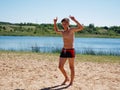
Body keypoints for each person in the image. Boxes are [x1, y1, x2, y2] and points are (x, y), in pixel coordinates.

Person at [53, 15, 83, 86]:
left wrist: (74, 20)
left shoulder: (71, 30)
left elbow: (81, 27)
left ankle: (71, 82)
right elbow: (56, 30)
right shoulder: (63, 32)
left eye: (65, 23)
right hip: (64, 50)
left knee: (71, 67)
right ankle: (66, 78)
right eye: (63, 24)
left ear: (68, 23)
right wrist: (55, 22)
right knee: (60, 66)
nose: (64, 25)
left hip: (71, 50)